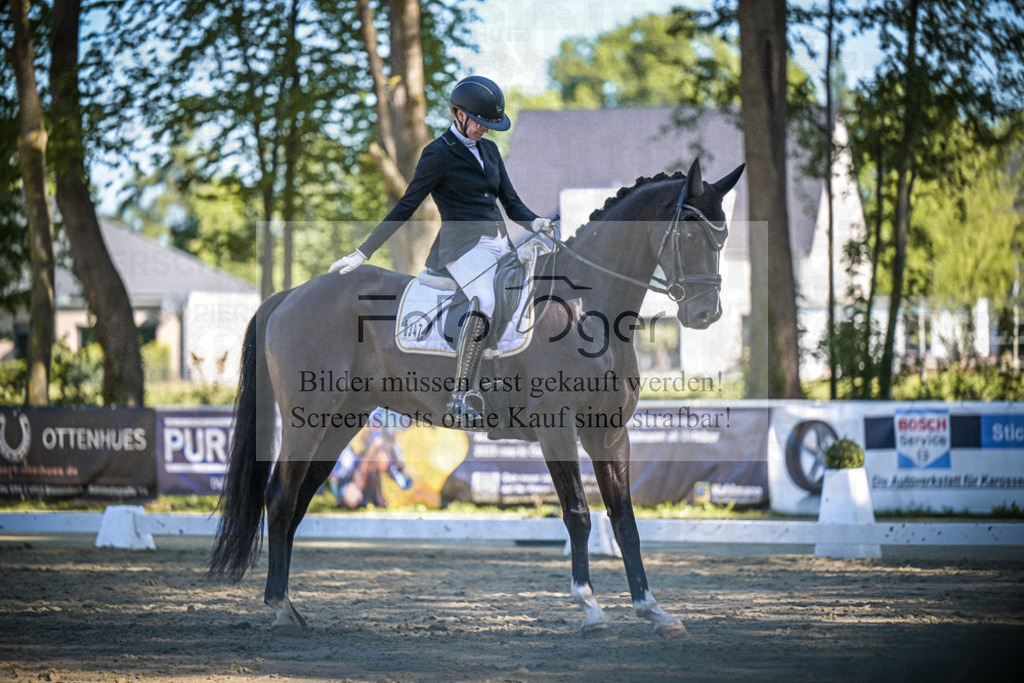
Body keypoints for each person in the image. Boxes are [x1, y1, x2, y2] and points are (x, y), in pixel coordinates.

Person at [330, 75, 551, 429]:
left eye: (490, 125)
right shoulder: (437, 153)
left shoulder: (490, 151)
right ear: (459, 114)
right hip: (462, 249)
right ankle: (461, 394)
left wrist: (536, 222)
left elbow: (510, 202)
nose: (485, 130)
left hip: (500, 243)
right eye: (480, 122)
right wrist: (363, 252)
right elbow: (406, 205)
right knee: (485, 300)